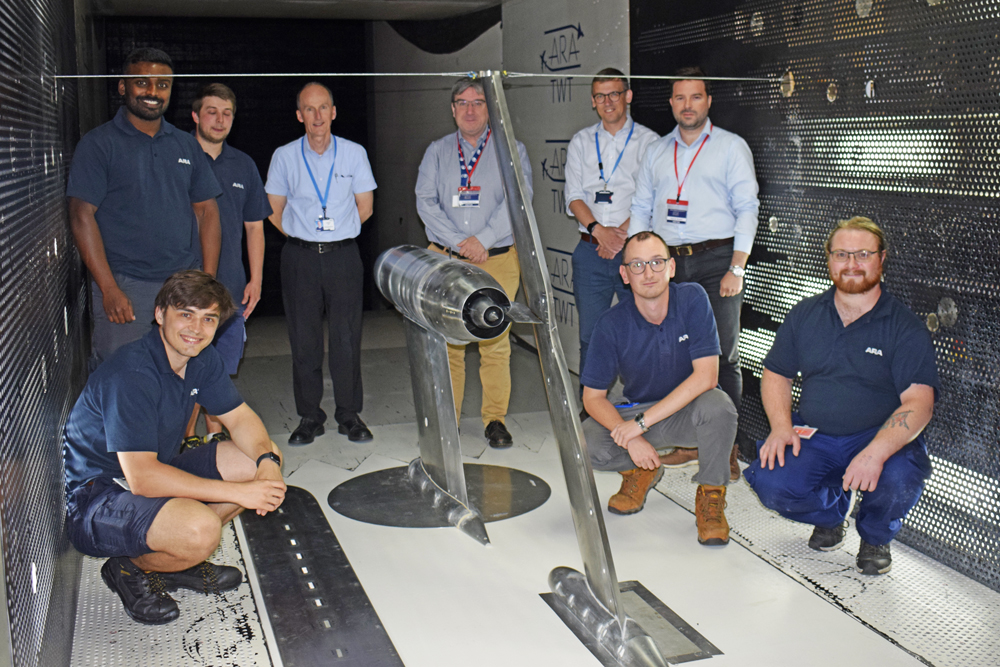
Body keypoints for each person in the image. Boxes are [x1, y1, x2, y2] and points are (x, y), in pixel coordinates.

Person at [63, 270, 286, 625]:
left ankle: (174, 561)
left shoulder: (201, 359)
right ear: (160, 314)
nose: (196, 329)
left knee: (254, 458)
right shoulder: (133, 373)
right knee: (201, 530)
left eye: (208, 318)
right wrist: (242, 495)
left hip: (149, 474)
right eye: (186, 314)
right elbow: (144, 481)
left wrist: (268, 463)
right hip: (98, 497)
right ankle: (130, 568)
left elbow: (241, 419)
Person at [744, 217, 938, 575]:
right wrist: (781, 427)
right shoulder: (805, 315)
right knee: (771, 483)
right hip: (816, 434)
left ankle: (876, 535)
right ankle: (833, 513)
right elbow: (776, 373)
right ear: (829, 259)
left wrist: (875, 454)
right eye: (842, 254)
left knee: (901, 477)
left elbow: (919, 402)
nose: (851, 264)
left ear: (882, 258)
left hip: (877, 435)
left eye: (863, 254)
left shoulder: (905, 327)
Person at [630, 65, 759, 479]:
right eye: (680, 98)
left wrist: (736, 267)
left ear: (708, 100)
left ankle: (725, 450)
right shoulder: (656, 151)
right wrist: (637, 261)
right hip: (669, 263)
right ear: (671, 103)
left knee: (722, 355)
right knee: (672, 355)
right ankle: (689, 442)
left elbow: (747, 210)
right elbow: (640, 208)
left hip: (717, 261)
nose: (688, 106)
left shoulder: (730, 147)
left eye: (696, 97)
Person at [66, 47, 222, 368]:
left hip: (181, 286)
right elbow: (81, 216)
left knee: (180, 378)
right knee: (123, 380)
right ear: (123, 86)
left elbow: (207, 212)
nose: (153, 92)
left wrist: (206, 282)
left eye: (162, 85)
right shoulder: (98, 144)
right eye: (142, 82)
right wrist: (109, 288)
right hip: (125, 287)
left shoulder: (185, 144)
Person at [581, 231, 738, 545]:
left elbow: (706, 376)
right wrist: (630, 436)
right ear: (624, 275)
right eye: (637, 265)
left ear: (671, 268)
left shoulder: (693, 298)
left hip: (689, 412)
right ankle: (641, 471)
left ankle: (711, 496)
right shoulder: (611, 324)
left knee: (719, 406)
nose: (648, 272)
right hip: (642, 409)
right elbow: (592, 398)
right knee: (587, 443)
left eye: (656, 262)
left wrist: (639, 427)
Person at [415, 77, 533, 449]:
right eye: (462, 103)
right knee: (448, 342)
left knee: (494, 342)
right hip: (446, 261)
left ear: (489, 109)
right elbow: (425, 202)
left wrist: (481, 241)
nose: (470, 110)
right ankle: (447, 418)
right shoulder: (436, 151)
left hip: (496, 259)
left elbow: (519, 199)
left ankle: (494, 419)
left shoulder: (511, 150)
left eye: (478, 102)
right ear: (452, 110)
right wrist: (458, 243)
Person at [265, 82, 377, 445]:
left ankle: (349, 414)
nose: (317, 116)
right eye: (309, 110)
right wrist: (302, 238)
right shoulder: (284, 156)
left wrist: (337, 235)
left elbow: (366, 206)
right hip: (300, 258)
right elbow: (273, 211)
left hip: (343, 256)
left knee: (347, 338)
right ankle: (310, 416)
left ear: (333, 112)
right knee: (304, 340)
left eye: (323, 107)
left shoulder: (354, 153)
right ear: (300, 116)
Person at [183, 83, 271, 445]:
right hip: (185, 289)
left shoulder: (243, 165)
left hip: (231, 288)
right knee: (184, 366)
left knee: (217, 367)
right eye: (211, 112)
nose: (219, 120)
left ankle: (215, 436)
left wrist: (257, 279)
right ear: (195, 116)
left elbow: (255, 228)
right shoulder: (179, 156)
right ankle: (186, 437)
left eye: (227, 113)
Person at [564, 67, 658, 390]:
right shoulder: (580, 142)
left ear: (627, 97)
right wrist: (599, 231)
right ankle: (590, 409)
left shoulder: (649, 142)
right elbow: (573, 197)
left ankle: (646, 403)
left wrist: (619, 235)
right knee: (591, 334)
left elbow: (651, 197)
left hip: (635, 252)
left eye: (615, 94)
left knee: (644, 328)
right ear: (593, 101)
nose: (608, 102)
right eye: (601, 96)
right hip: (590, 251)